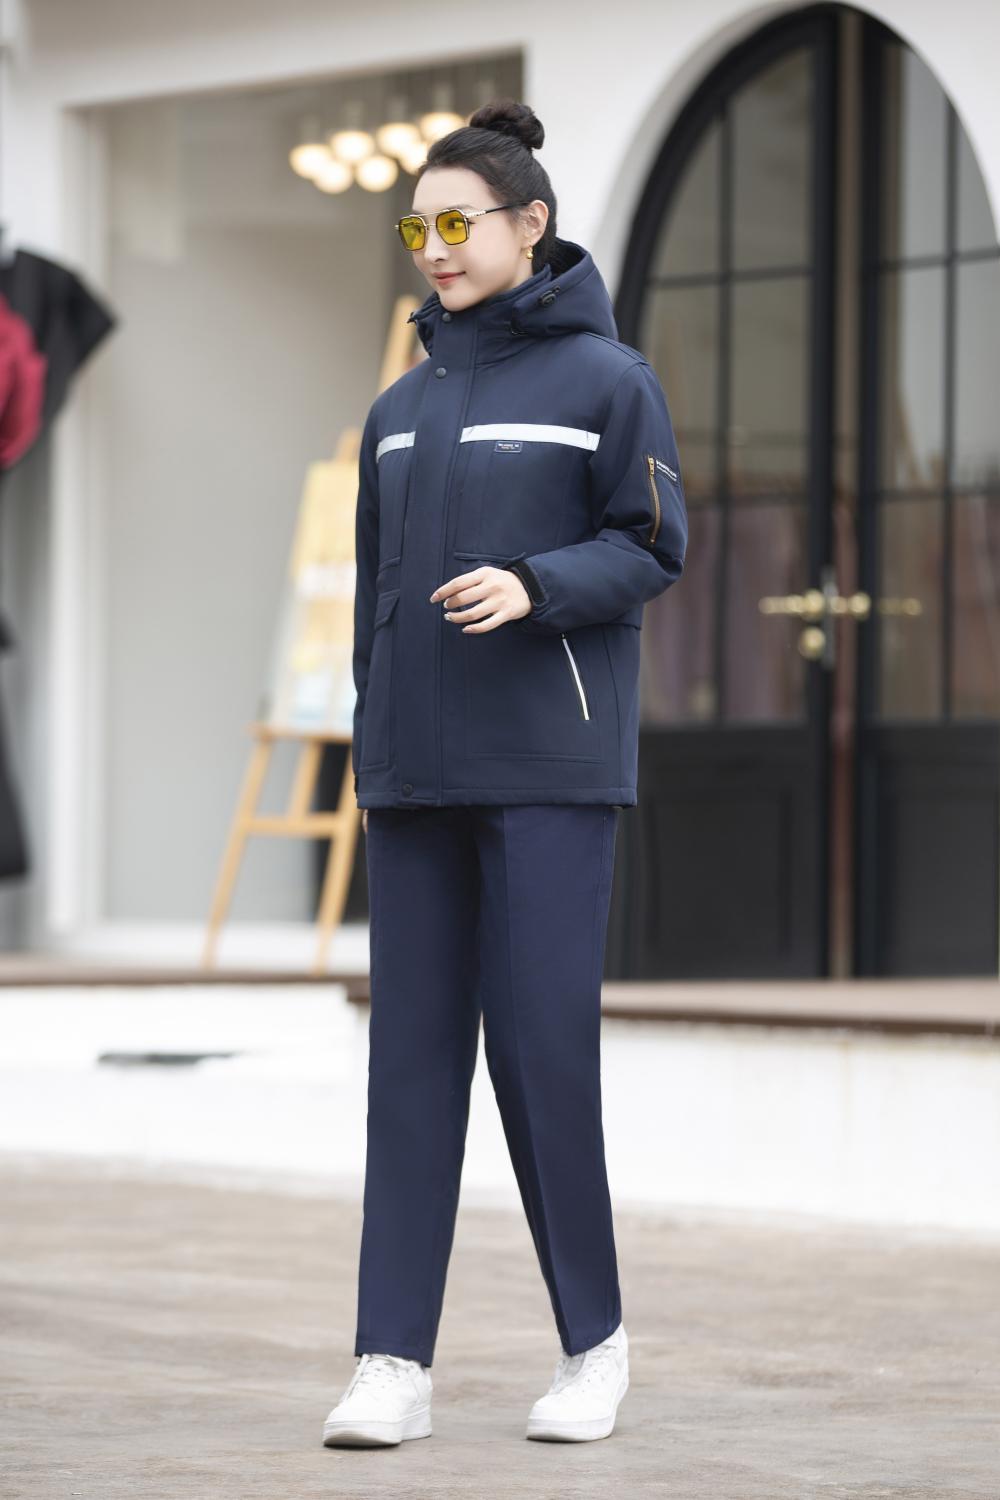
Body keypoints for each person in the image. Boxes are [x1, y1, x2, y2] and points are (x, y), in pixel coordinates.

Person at [322, 97, 687, 1449]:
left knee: (541, 1062)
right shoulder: (395, 412)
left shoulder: (607, 383)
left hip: (547, 771)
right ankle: (390, 1363)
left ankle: (594, 1348)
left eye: (458, 223)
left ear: (530, 225)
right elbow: (376, 606)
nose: (435, 247)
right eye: (416, 227)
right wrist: (373, 750)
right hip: (416, 780)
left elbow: (652, 543)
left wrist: (536, 585)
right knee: (410, 1070)